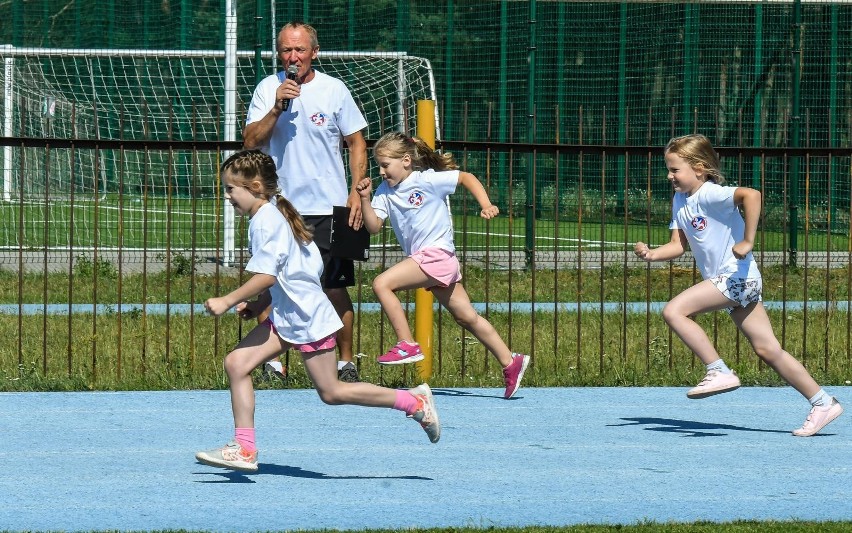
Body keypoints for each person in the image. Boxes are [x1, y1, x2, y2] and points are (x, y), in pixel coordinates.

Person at [195, 150, 440, 473]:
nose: (227, 196)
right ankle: (244, 448)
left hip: (308, 319)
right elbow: (297, 270)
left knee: (333, 392)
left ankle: (414, 402)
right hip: (289, 317)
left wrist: (228, 300)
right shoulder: (274, 215)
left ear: (254, 187)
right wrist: (259, 304)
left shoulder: (267, 221)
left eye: (231, 189)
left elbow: (268, 274)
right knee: (237, 363)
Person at [634, 133, 842, 437]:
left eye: (675, 169)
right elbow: (677, 245)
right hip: (734, 282)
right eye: (668, 168)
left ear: (700, 168)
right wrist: (652, 254)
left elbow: (752, 195)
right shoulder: (681, 200)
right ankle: (823, 402)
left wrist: (748, 239)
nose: (669, 175)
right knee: (768, 349)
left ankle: (718, 370)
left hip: (735, 277)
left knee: (674, 311)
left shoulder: (710, 193)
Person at [355, 132, 530, 400]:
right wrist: (365, 199)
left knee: (381, 283)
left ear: (405, 160)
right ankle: (510, 362)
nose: (381, 171)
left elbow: (465, 177)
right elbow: (374, 227)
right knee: (466, 317)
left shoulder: (425, 180)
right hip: (429, 260)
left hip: (436, 254)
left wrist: (486, 204)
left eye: (385, 165)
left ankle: (407, 344)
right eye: (378, 165)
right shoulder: (383, 191)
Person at [242, 21, 365, 384]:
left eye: (299, 50)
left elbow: (357, 141)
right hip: (280, 208)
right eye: (285, 50)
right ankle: (273, 364)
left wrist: (356, 192)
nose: (292, 57)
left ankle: (345, 364)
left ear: (314, 52)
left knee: (332, 287)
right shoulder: (268, 89)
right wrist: (278, 107)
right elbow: (250, 140)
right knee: (271, 283)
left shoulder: (334, 90)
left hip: (329, 208)